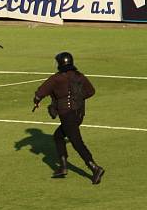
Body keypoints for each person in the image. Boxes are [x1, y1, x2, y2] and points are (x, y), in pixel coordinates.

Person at [32, 52, 105, 184]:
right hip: (79, 114)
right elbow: (91, 91)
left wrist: (37, 101)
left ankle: (95, 168)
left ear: (60, 64)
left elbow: (40, 93)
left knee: (77, 143)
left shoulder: (56, 79)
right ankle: (63, 166)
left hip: (68, 116)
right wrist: (77, 97)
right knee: (58, 136)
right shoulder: (80, 76)